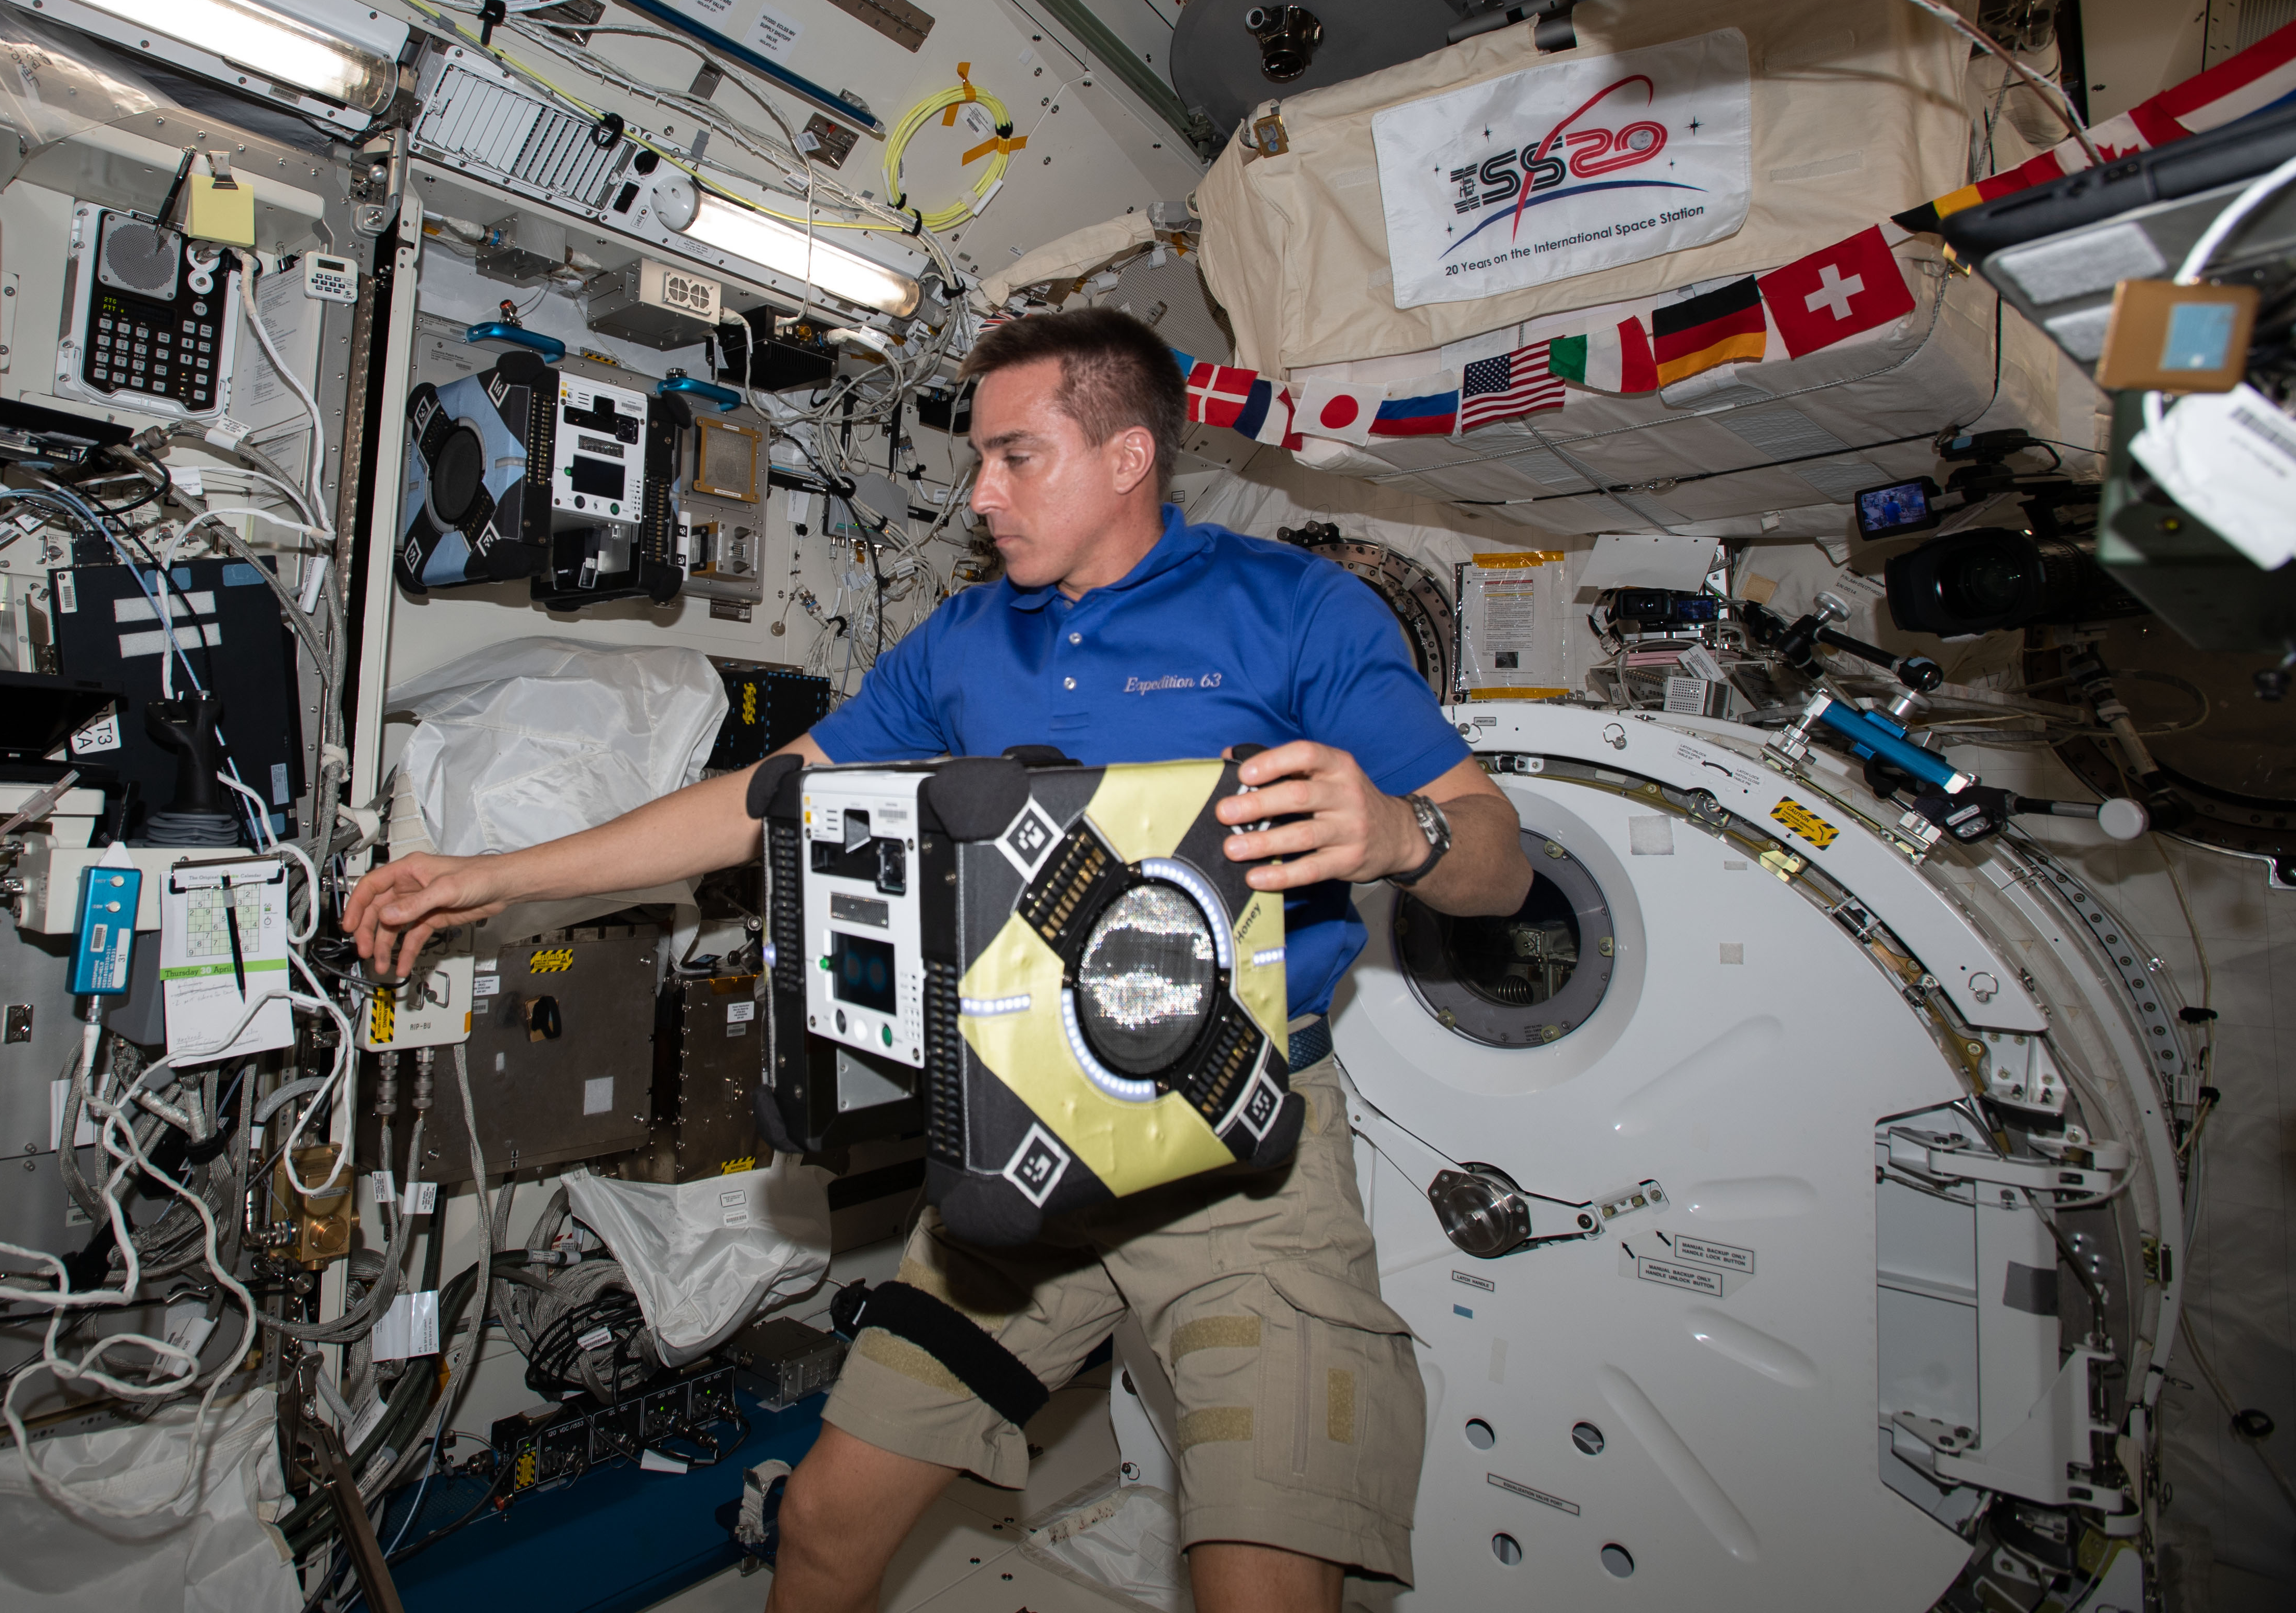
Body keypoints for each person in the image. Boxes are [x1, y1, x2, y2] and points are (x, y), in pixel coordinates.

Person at [347, 307, 1532, 1613]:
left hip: (1238, 1145)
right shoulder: (965, 642)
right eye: (979, 459)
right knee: (824, 1527)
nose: (982, 494)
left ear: (1130, 457)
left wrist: (1398, 828)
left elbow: (1501, 858)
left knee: (1263, 1585)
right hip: (1022, 1143)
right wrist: (492, 875)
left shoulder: (1295, 613)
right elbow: (761, 798)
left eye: (1018, 457)